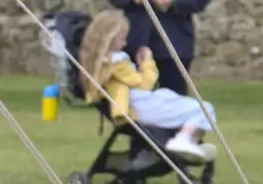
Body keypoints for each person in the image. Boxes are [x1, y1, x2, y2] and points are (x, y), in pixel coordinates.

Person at [79, 9, 216, 164]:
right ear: (109, 40)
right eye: (122, 39)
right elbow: (144, 84)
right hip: (140, 105)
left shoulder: (102, 65)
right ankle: (184, 140)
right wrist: (147, 63)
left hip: (138, 101)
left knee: (185, 103)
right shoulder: (116, 63)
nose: (125, 43)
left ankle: (188, 142)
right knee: (204, 109)